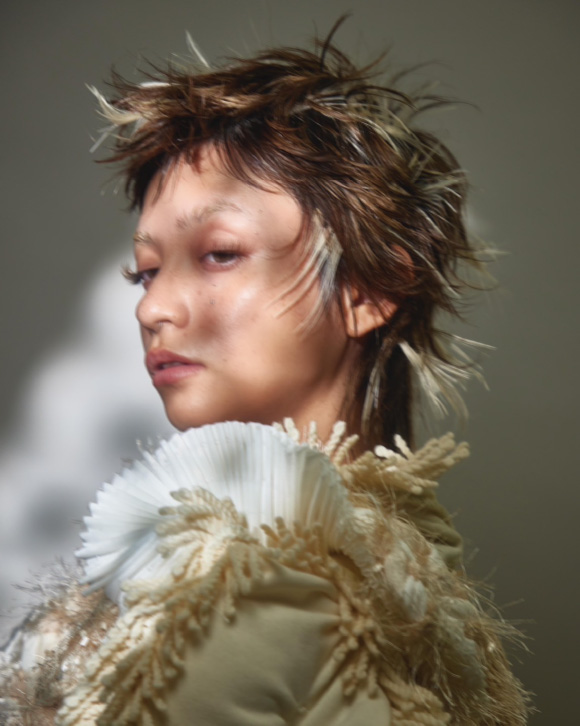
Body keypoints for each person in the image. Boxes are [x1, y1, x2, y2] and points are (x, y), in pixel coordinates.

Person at [0, 25, 530, 726]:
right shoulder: (395, 577)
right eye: (146, 271)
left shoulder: (268, 591)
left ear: (369, 288)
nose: (153, 308)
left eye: (220, 253)